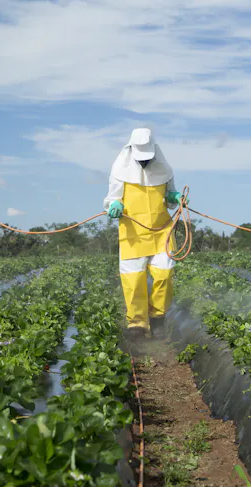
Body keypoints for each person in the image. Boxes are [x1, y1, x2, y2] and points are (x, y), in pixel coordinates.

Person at [103, 128, 187, 338]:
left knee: (165, 275)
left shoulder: (164, 169)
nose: (144, 163)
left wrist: (175, 197)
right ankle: (137, 325)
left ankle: (158, 317)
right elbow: (113, 197)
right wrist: (114, 205)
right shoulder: (119, 169)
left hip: (161, 231)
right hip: (133, 233)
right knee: (134, 280)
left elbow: (169, 197)